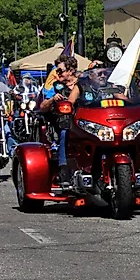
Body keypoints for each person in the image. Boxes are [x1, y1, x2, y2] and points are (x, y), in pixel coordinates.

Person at [39, 56, 81, 186]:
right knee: (65, 131)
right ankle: (63, 171)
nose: (57, 73)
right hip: (63, 121)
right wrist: (52, 99)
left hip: (85, 121)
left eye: (60, 71)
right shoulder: (56, 86)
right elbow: (42, 107)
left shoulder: (83, 83)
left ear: (71, 71)